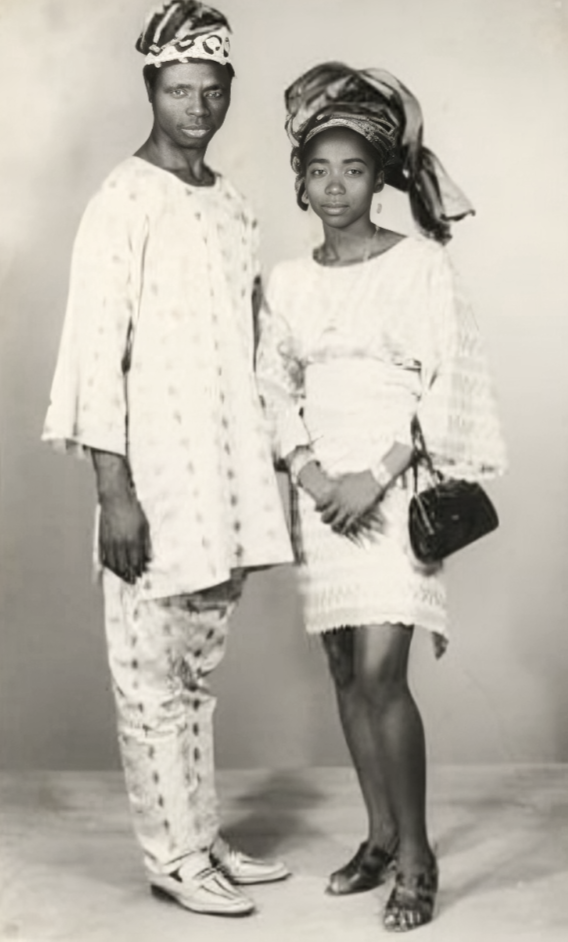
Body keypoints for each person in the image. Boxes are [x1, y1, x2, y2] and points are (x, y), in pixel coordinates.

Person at [42, 1, 294, 919]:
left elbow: (248, 345)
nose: (198, 106)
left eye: (213, 91)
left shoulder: (232, 206)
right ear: (152, 88)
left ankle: (200, 836)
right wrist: (115, 493)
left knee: (194, 672)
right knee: (147, 674)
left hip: (217, 478)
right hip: (149, 481)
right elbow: (93, 353)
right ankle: (169, 856)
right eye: (181, 90)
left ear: (230, 93)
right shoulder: (122, 201)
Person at [257, 62, 506, 932]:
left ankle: (420, 854)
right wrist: (315, 473)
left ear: (381, 177)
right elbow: (273, 383)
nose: (335, 187)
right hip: (323, 492)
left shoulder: (421, 266)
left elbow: (439, 384)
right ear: (301, 181)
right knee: (341, 671)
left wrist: (376, 475)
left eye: (353, 170)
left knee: (381, 673)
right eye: (319, 170)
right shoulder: (287, 282)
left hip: (391, 489)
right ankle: (377, 836)